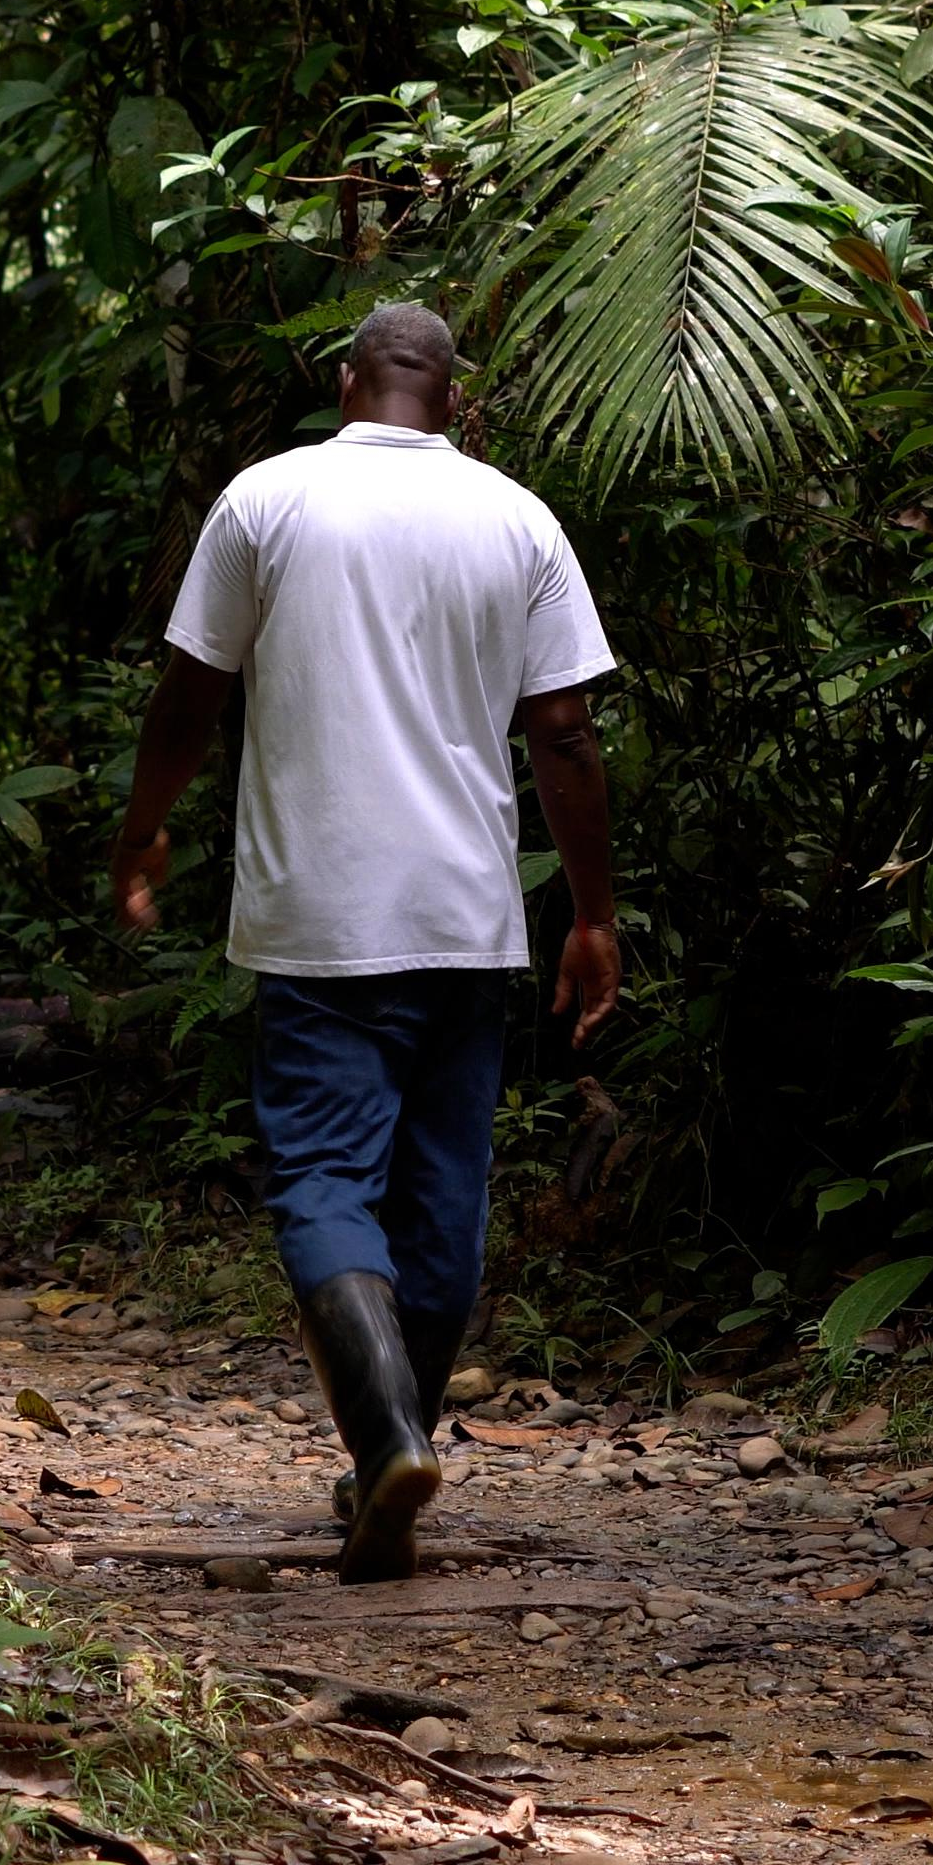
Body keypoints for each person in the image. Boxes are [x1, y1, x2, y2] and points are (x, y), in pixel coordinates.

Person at [109, 301, 620, 1583]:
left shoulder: (268, 500)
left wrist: (145, 832)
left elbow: (192, 688)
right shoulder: (518, 518)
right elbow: (562, 730)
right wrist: (595, 914)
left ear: (347, 384)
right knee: (443, 1195)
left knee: (326, 1182)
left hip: (323, 920)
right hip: (467, 922)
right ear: (454, 400)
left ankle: (389, 1436)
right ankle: (391, 1448)